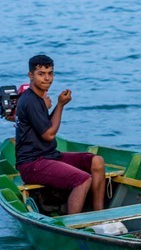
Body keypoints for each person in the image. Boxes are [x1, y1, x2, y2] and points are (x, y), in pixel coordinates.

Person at [14, 54, 106, 214]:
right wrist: (61, 105)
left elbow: (45, 128)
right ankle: (72, 227)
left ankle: (101, 216)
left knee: (97, 162)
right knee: (82, 179)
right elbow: (48, 135)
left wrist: (54, 105)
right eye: (41, 74)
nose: (47, 78)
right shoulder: (30, 101)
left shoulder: (40, 98)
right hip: (32, 164)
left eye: (50, 73)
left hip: (49, 156)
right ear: (31, 75)